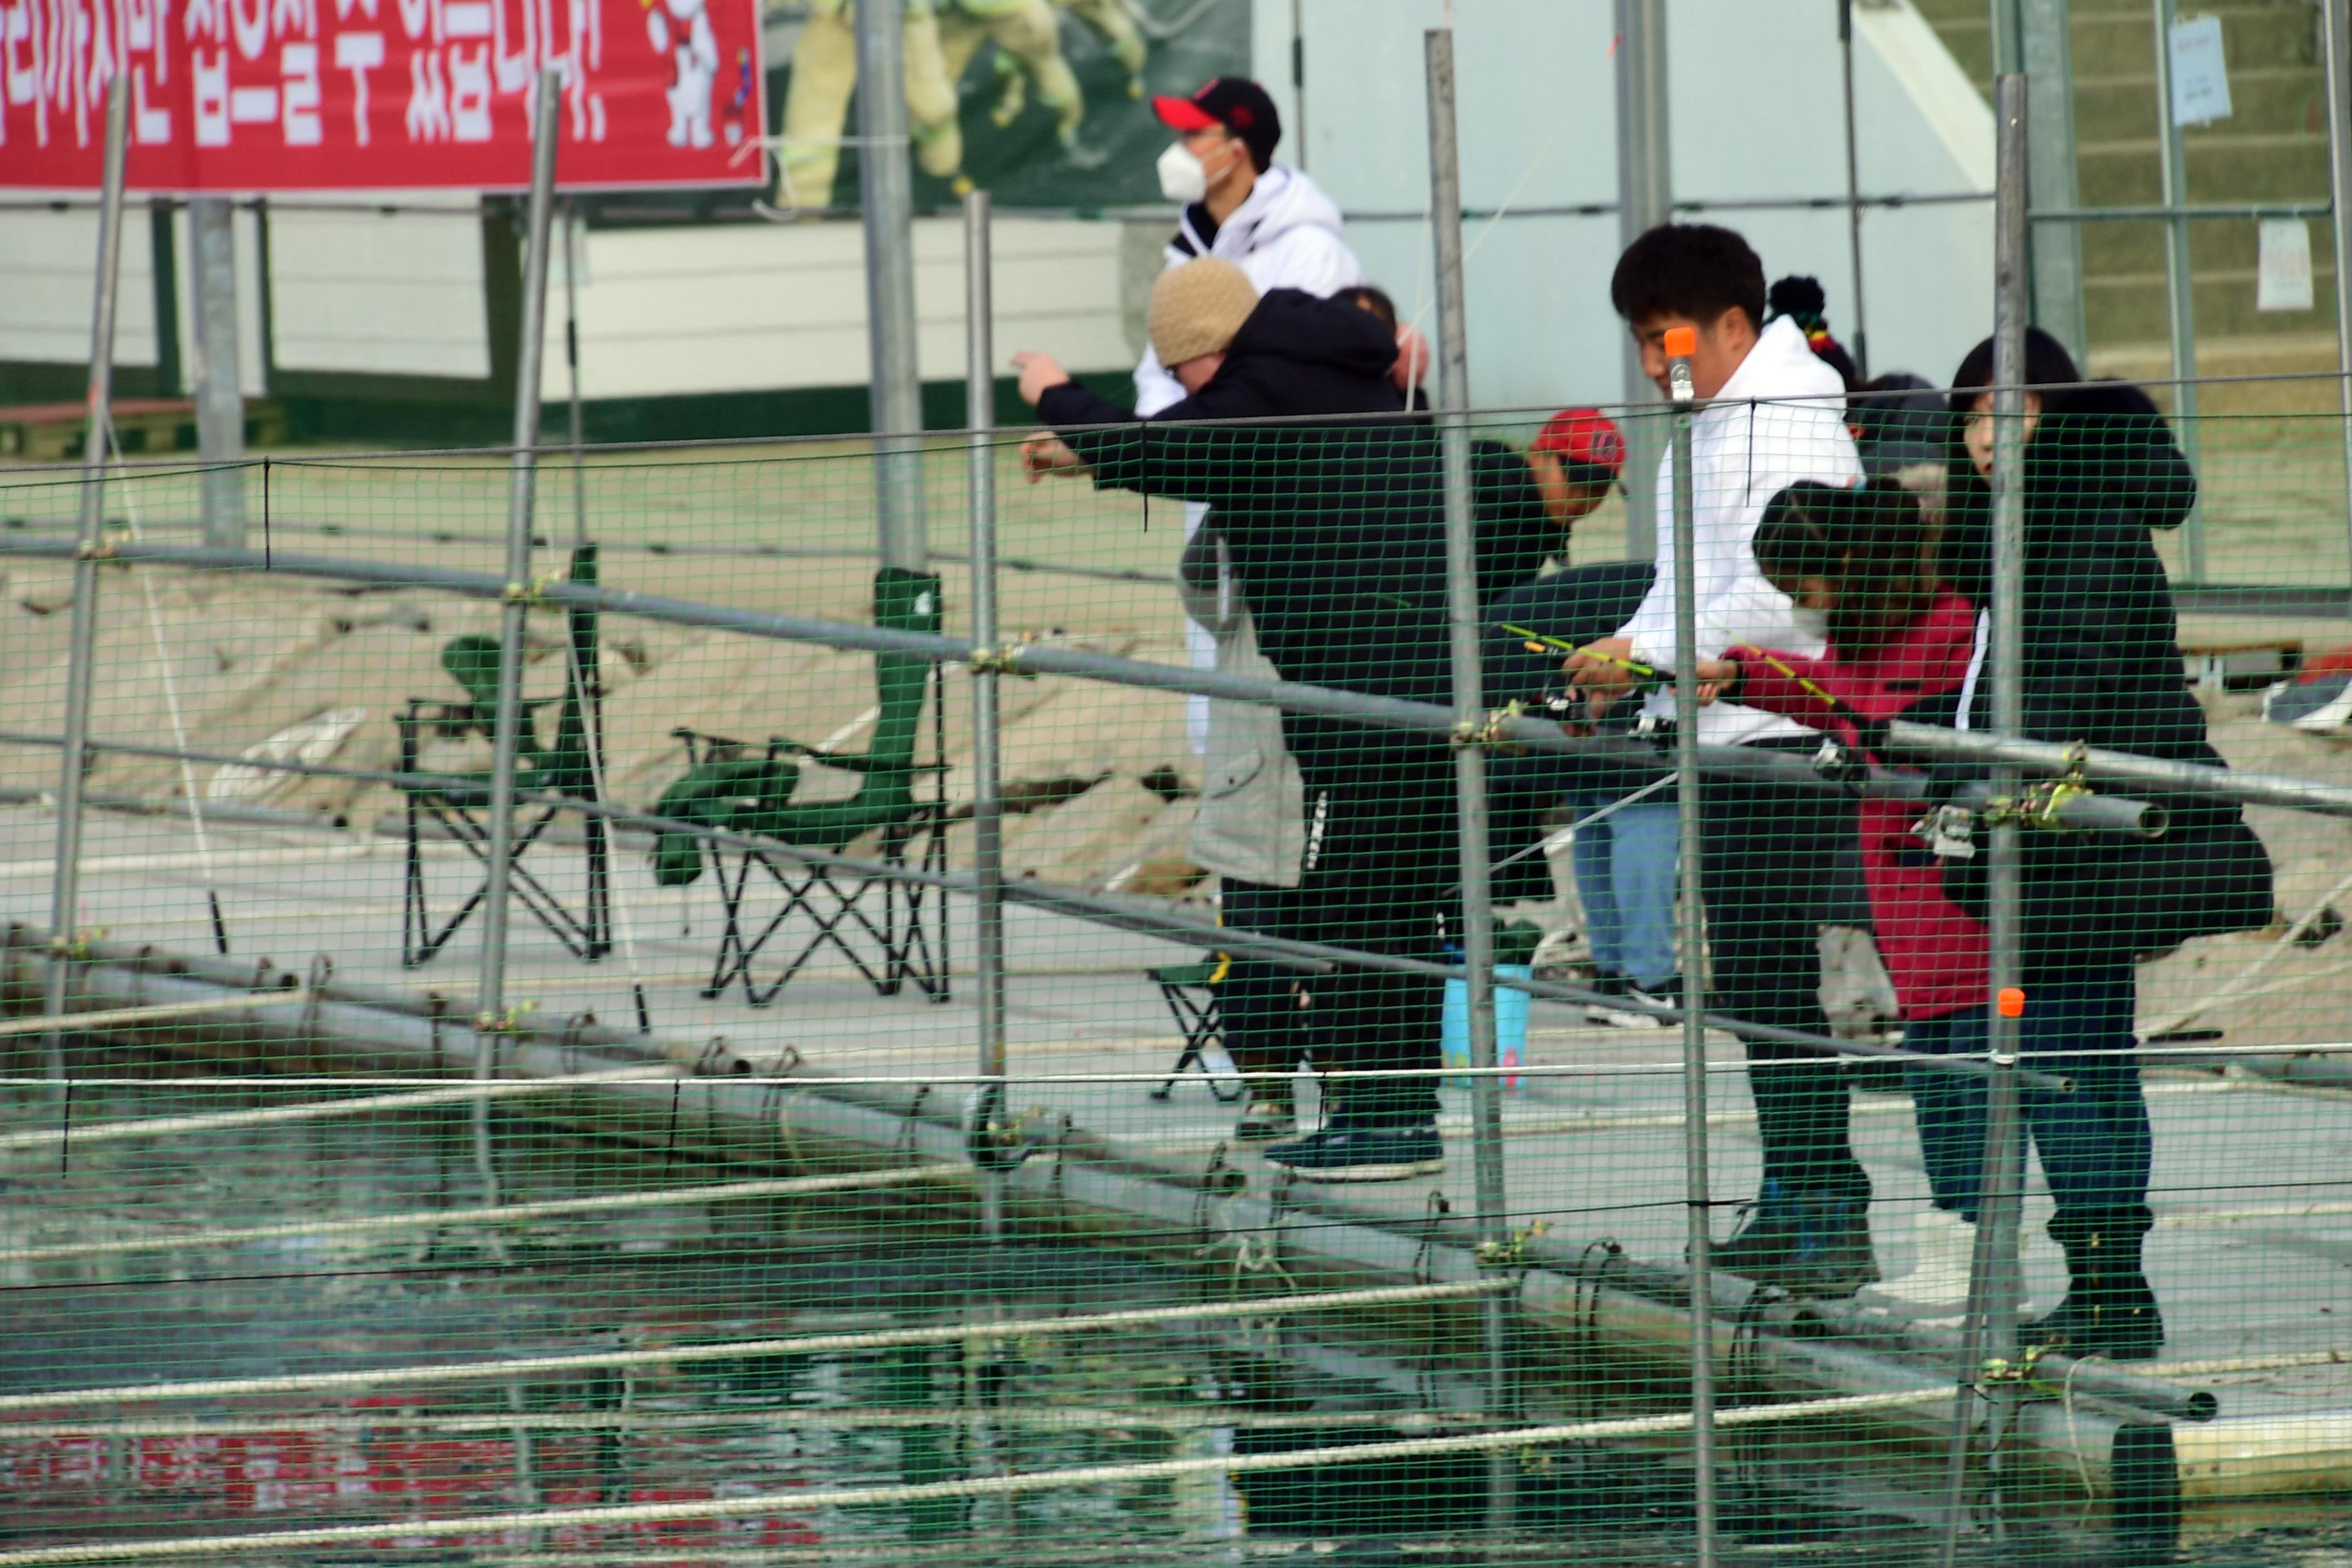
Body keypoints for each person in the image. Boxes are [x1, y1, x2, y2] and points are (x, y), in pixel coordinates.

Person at [1014, 259, 1459, 1183]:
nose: (1179, 392)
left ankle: (1386, 1127)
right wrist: (1086, 452)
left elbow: (1163, 445)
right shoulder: (1337, 377)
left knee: (1362, 914)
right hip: (1408, 685)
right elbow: (1180, 447)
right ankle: (1393, 1115)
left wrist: (1054, 392)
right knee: (1394, 911)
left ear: (1204, 349)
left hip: (1359, 698)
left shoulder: (1267, 384)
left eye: (1179, 375)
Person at [1908, 329, 2275, 1358]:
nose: (1987, 438)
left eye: (2009, 414)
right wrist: (1912, 730)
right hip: (2049, 841)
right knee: (2087, 1063)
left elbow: (2065, 690)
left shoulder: (2084, 526)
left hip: (2082, 848)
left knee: (2063, 1066)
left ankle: (2110, 1291)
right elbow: (2003, 689)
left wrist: (1960, 767)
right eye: (1974, 416)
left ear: (2055, 418)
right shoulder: (2020, 533)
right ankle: (2111, 1287)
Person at [1566, 224, 1875, 1293]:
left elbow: (1776, 592)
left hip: (1785, 738)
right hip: (1722, 732)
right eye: (1643, 343)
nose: (1654, 363)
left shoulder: (1791, 425)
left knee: (1773, 984)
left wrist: (1643, 651)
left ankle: (1829, 1211)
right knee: (1751, 982)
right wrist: (1626, 657)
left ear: (1734, 325)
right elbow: (1678, 584)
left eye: (1668, 338)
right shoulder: (1702, 426)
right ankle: (1795, 1196)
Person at [1691, 480, 1987, 1300]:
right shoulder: (1867, 628)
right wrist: (1742, 673)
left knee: (1965, 1065)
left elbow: (1892, 715)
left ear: (1848, 565)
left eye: (1804, 590)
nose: (1803, 607)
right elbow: (1839, 699)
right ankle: (1950, 1256)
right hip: (1897, 882)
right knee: (1933, 1060)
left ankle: (1972, 1257)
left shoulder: (1951, 622)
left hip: (1946, 878)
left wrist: (1801, 690)